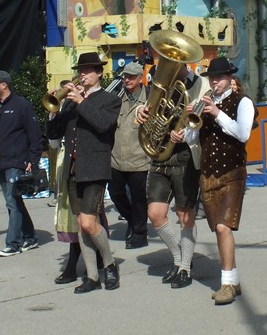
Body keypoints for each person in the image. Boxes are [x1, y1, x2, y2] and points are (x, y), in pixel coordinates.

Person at [46, 52, 121, 293]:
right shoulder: (68, 101)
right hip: (73, 167)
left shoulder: (109, 99)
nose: (83, 74)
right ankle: (91, 276)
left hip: (96, 168)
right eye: (81, 70)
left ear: (99, 73)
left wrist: (81, 102)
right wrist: (53, 112)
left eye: (88, 70)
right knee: (81, 223)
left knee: (90, 222)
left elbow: (104, 125)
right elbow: (54, 133)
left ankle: (109, 265)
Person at [185, 57, 254, 305]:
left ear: (230, 78)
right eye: (212, 78)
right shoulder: (204, 103)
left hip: (233, 173)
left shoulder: (242, 102)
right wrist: (191, 121)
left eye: (221, 77)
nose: (216, 82)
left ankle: (225, 284)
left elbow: (243, 134)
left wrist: (218, 113)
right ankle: (233, 279)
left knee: (225, 227)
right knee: (218, 229)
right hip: (208, 173)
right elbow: (191, 138)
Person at [139, 64, 209, 290]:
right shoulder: (160, 85)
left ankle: (185, 268)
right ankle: (179, 258)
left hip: (185, 156)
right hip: (160, 155)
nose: (166, 62)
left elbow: (203, 122)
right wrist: (141, 112)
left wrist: (186, 132)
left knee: (184, 215)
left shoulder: (201, 85)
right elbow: (151, 114)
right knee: (155, 213)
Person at [0, 70, 42, 257]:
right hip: (0, 163)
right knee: (15, 201)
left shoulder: (22, 106)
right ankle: (31, 237)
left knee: (12, 203)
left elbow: (35, 136)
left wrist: (32, 160)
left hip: (16, 162)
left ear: (3, 85)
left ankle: (13, 244)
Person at [110, 62, 150, 249]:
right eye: (125, 76)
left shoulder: (149, 98)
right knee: (115, 193)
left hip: (139, 159)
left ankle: (140, 234)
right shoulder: (118, 98)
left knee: (139, 199)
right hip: (117, 158)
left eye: (131, 77)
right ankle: (134, 221)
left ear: (140, 78)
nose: (127, 80)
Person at [46, 79, 73, 208]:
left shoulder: (72, 105)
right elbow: (52, 133)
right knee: (59, 173)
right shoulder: (60, 106)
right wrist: (52, 111)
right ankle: (57, 195)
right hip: (60, 145)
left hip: (71, 147)